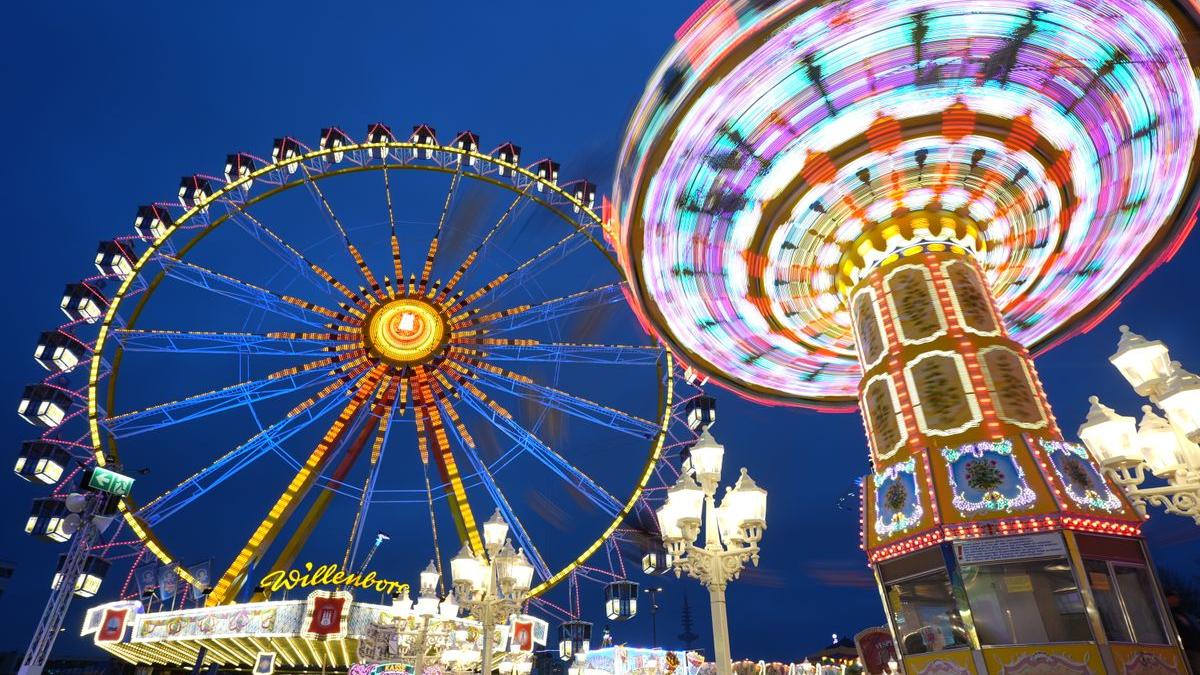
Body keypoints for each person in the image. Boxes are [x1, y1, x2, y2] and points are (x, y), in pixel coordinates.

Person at [1166, 590, 1200, 674]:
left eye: (1176, 597)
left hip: (1194, 647)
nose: (1176, 599)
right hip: (1187, 648)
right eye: (1172, 596)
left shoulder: (1183, 613)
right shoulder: (1169, 614)